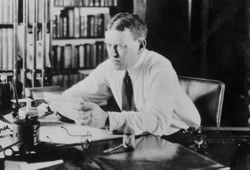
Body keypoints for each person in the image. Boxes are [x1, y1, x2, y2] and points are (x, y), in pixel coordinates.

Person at [62, 13, 201, 142]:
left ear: (141, 45)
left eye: (121, 47)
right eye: (109, 45)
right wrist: (61, 107)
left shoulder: (160, 68)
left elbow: (157, 121)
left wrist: (107, 119)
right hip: (140, 135)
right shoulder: (111, 66)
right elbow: (77, 94)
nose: (113, 54)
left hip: (177, 138)